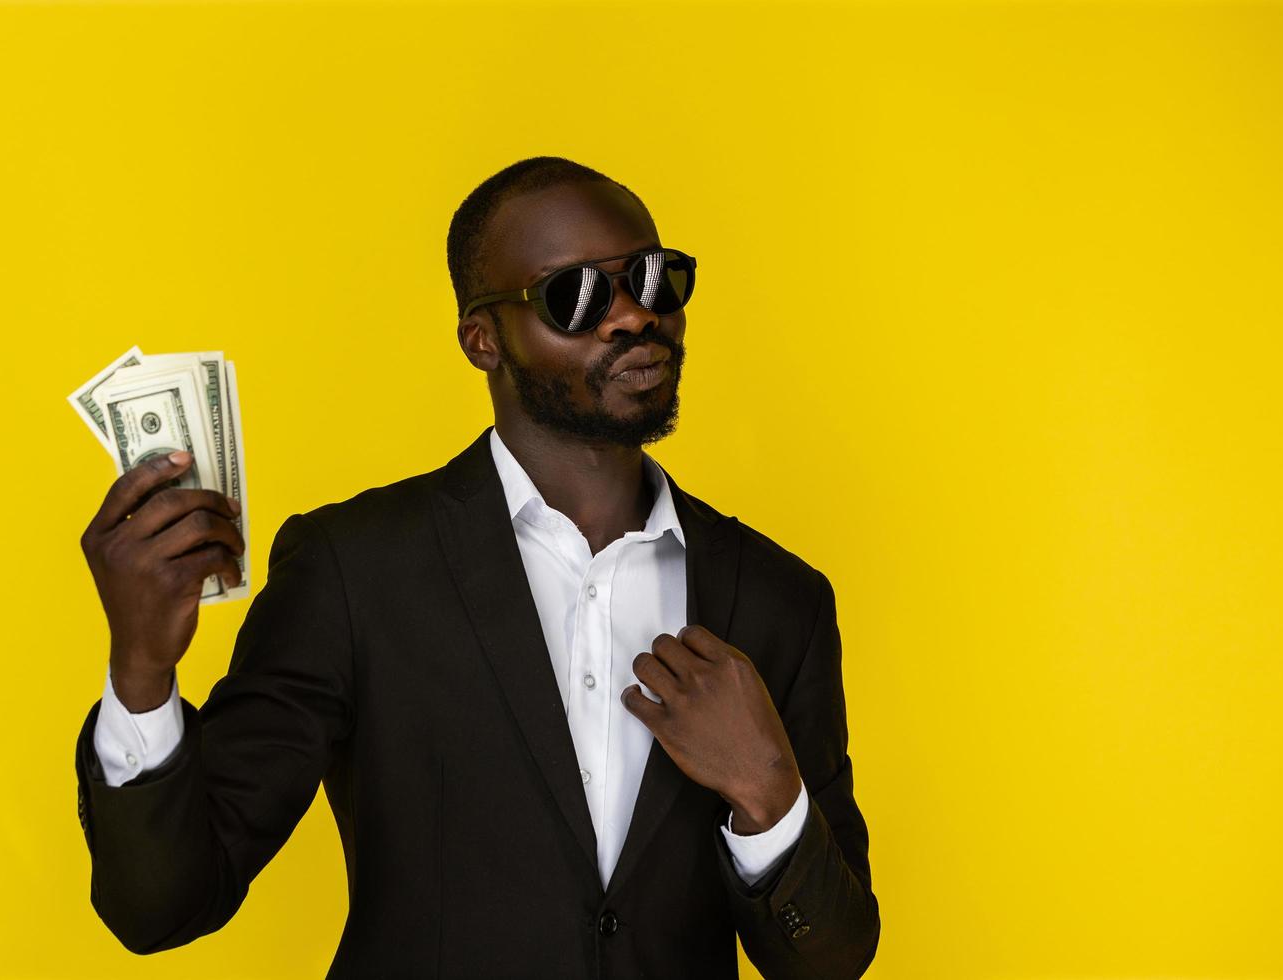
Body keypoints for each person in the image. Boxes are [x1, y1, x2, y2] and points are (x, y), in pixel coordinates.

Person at [74, 155, 880, 979]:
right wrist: (142, 670)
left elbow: (831, 957)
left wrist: (769, 792)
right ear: (483, 339)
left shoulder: (782, 600)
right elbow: (163, 906)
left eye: (653, 278)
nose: (633, 316)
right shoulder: (356, 570)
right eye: (577, 294)